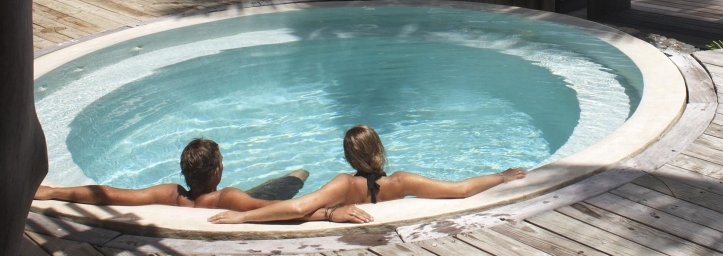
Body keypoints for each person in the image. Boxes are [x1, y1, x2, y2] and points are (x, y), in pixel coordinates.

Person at [208, 125, 526, 225]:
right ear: (380, 150)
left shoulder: (344, 184)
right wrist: (502, 176)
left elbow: (297, 209)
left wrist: (241, 218)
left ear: (348, 157)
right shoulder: (400, 182)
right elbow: (460, 189)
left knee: (288, 189)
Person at [34, 138, 354, 219]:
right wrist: (328, 212)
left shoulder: (172, 194)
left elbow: (107, 194)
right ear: (216, 171)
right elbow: (275, 209)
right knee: (286, 187)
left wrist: (52, 193)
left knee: (292, 180)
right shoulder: (226, 197)